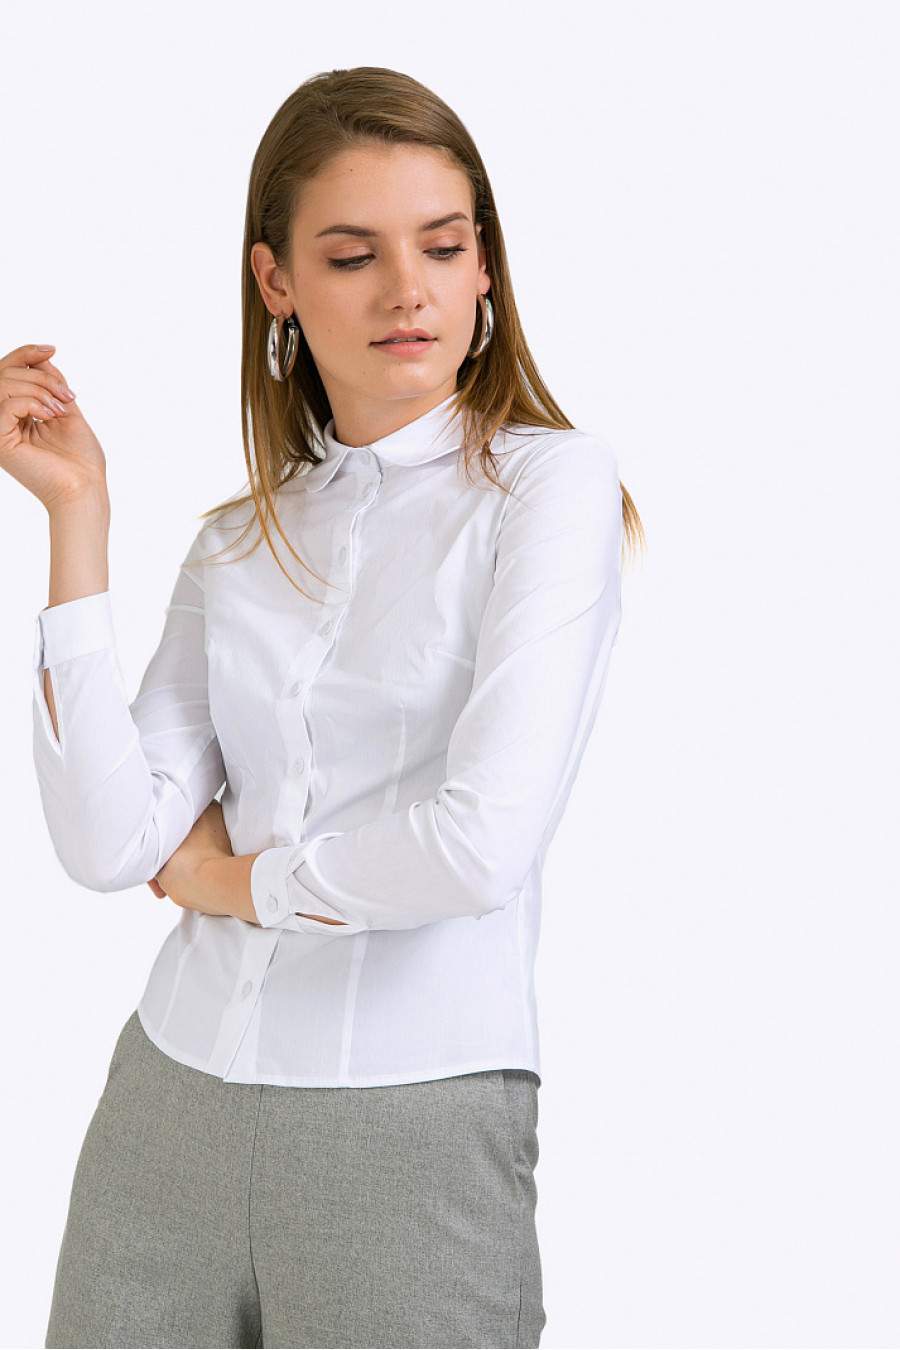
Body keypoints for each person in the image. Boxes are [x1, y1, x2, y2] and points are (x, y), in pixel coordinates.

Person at [2, 66, 644, 1350]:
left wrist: (237, 884)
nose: (408, 289)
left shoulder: (549, 489)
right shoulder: (239, 540)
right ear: (277, 281)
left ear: (484, 269)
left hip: (407, 1122)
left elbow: (480, 845)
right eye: (353, 255)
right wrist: (78, 519)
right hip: (166, 1102)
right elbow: (110, 843)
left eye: (443, 247)